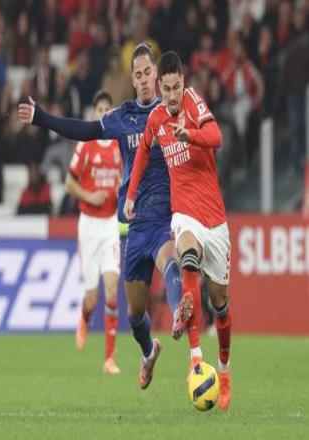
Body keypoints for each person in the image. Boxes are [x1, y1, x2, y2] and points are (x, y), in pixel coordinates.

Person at [18, 43, 189, 390]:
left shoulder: (173, 110)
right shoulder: (123, 117)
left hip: (164, 219)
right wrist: (41, 117)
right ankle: (148, 351)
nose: (144, 79)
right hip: (135, 224)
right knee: (134, 314)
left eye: (148, 72)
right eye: (138, 74)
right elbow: (83, 130)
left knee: (170, 260)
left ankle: (178, 312)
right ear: (133, 79)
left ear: (157, 75)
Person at [124, 51, 232, 410]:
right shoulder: (156, 118)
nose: (172, 95)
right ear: (159, 86)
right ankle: (195, 359)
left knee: (220, 304)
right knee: (186, 256)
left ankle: (224, 370)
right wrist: (131, 194)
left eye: (176, 88)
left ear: (183, 82)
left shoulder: (193, 103)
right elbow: (143, 152)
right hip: (184, 215)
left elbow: (216, 136)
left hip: (214, 218)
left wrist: (192, 135)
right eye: (166, 89)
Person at [65, 90, 123, 375]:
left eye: (107, 109)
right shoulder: (85, 145)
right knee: (92, 298)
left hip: (110, 224)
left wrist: (122, 190)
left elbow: (124, 179)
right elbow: (69, 183)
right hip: (88, 225)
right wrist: (90, 196)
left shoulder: (119, 145)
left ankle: (109, 359)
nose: (104, 113)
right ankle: (85, 317)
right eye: (99, 109)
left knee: (112, 290)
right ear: (94, 113)